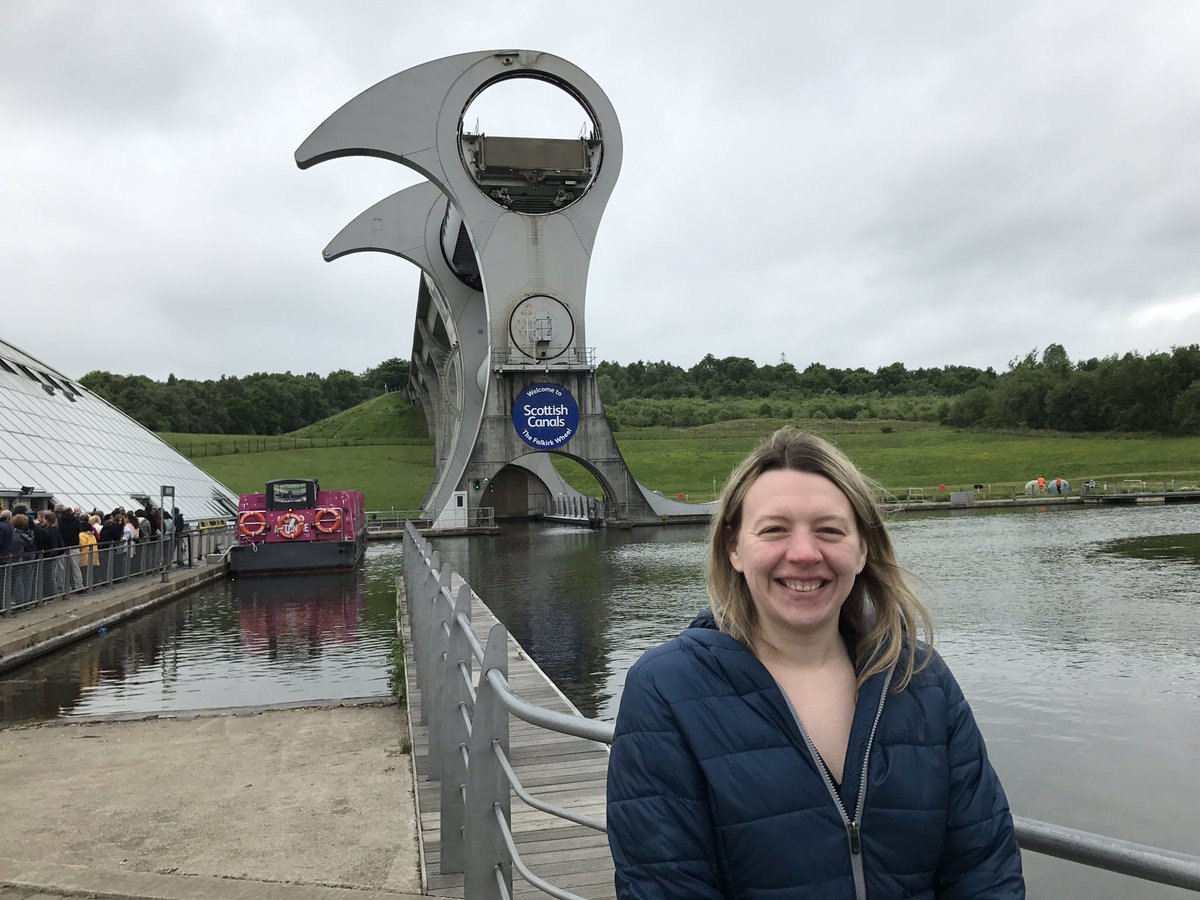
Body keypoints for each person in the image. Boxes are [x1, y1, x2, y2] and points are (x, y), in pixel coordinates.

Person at [606, 428, 1024, 899]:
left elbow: (985, 868)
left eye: (829, 530)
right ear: (734, 548)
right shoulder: (666, 690)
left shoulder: (921, 678)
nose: (804, 554)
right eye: (774, 529)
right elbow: (665, 886)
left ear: (862, 547)